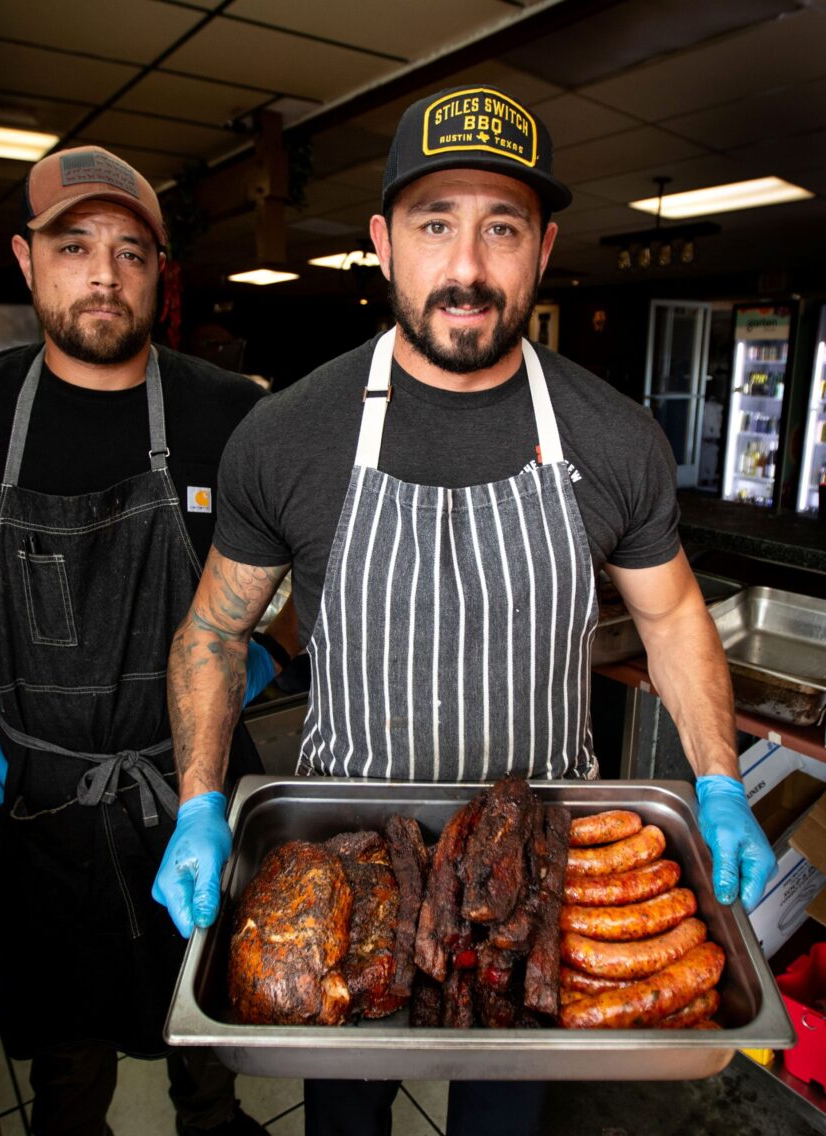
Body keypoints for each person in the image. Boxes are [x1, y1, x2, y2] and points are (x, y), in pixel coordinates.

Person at [153, 84, 778, 1136]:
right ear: (383, 244)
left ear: (543, 248)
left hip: (537, 880)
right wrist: (200, 800)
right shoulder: (288, 432)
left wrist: (715, 776)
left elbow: (671, 618)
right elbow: (214, 628)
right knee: (344, 1121)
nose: (468, 267)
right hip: (348, 869)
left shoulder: (613, 436)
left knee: (501, 1119)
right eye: (435, 224)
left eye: (501, 228)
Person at [0, 145, 281, 1136]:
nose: (104, 273)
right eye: (73, 245)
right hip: (48, 798)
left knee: (207, 1014)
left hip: (198, 779)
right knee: (68, 1062)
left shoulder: (232, 410)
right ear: (26, 261)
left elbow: (297, 558)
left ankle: (210, 1116)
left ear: (161, 274)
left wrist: (268, 644)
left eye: (130, 249)